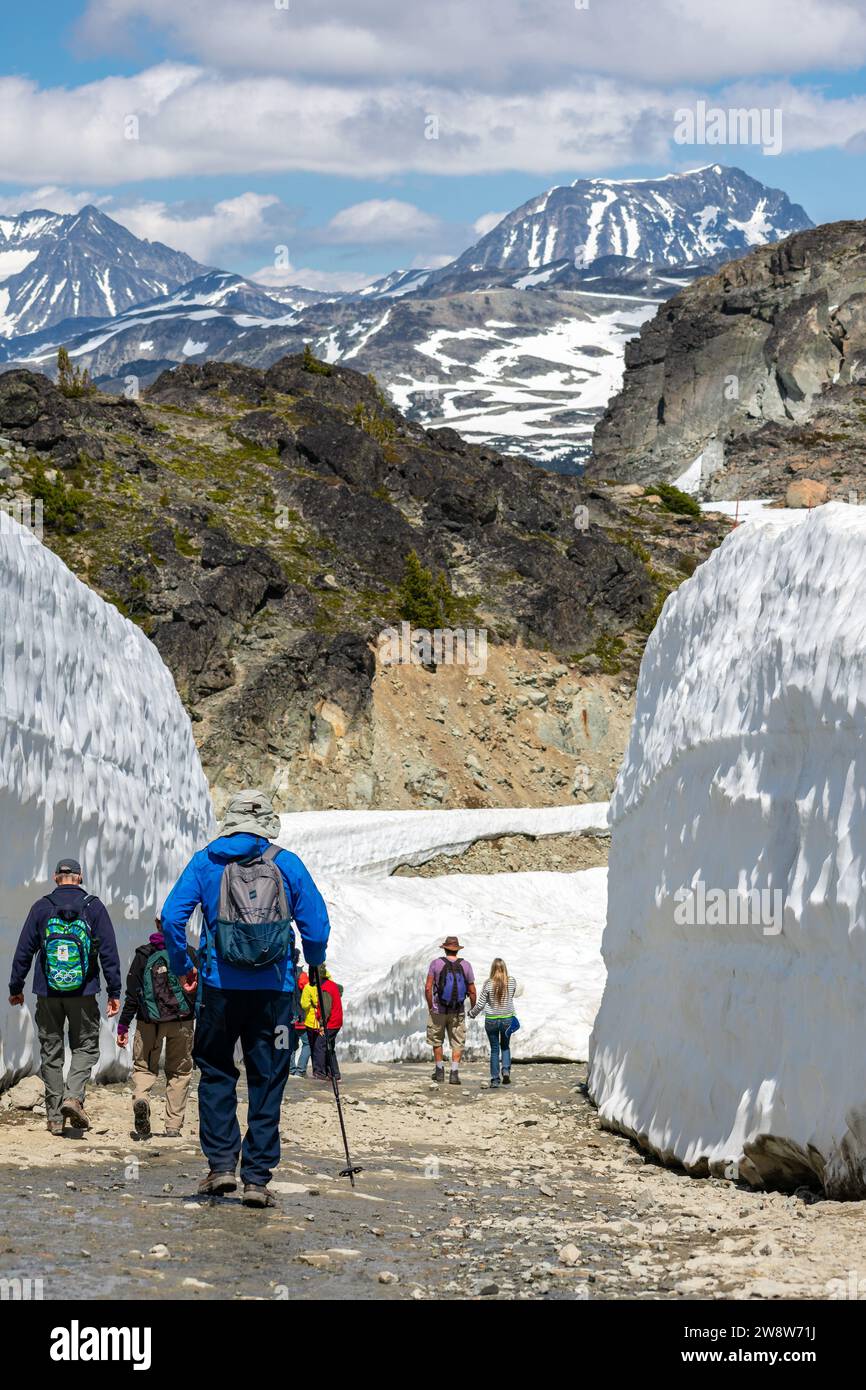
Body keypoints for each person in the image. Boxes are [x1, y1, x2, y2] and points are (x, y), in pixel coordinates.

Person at [160, 789, 330, 1209]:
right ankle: (255, 1178)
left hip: (219, 990)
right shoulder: (285, 863)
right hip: (274, 992)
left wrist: (184, 966)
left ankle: (221, 1167)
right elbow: (317, 927)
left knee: (216, 1070)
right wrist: (315, 964)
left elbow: (171, 917)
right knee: (268, 1078)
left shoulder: (206, 862)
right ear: (268, 822)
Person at [7, 856, 122, 1134]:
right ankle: (73, 1096)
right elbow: (108, 951)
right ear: (79, 877)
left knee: (51, 1051)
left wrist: (16, 988)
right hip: (84, 993)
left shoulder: (41, 907)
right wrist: (114, 991)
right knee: (85, 1047)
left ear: (56, 877)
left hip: (48, 992)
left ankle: (55, 1118)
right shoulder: (93, 907)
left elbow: (24, 951)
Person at [116, 918, 197, 1139]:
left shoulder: (143, 954)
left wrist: (123, 1025)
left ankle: (142, 1097)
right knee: (179, 1072)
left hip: (148, 1022)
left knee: (144, 1067)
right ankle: (172, 1126)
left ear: (156, 923)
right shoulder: (189, 953)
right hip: (182, 1022)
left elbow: (132, 993)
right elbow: (198, 992)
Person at [425, 936, 476, 1086]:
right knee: (457, 1042)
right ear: (457, 950)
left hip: (438, 1009)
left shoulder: (436, 964)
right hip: (457, 1010)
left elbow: (428, 987)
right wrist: (473, 1008)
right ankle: (454, 1073)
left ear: (445, 948)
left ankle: (439, 1072)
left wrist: (430, 1005)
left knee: (436, 1040)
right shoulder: (466, 965)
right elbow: (472, 991)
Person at [469, 957, 518, 1088]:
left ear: (492, 968)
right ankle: (506, 1070)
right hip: (507, 1019)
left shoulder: (488, 983)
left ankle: (495, 1080)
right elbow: (511, 996)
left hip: (491, 1020)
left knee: (495, 1049)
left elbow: (480, 1004)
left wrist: (472, 1013)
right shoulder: (512, 981)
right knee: (505, 1046)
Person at [301, 967, 343, 1081]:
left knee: (319, 1046)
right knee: (329, 1047)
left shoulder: (325, 988)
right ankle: (334, 1073)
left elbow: (326, 1009)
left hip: (330, 1023)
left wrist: (322, 1025)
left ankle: (320, 1073)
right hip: (335, 1022)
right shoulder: (331, 984)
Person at [289, 968, 311, 1077]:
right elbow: (308, 991)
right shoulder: (301, 976)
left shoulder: (286, 974)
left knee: (291, 1044)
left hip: (288, 1016)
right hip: (301, 1016)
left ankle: (291, 1070)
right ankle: (300, 1070)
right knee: (308, 1043)